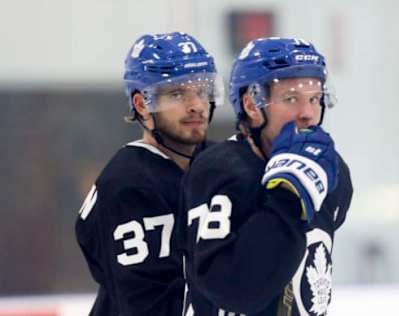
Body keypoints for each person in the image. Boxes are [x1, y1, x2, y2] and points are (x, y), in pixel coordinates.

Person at [179, 37, 353, 316]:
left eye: (315, 99)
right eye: (291, 99)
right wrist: (288, 197)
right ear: (251, 106)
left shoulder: (333, 171)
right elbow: (233, 291)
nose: (308, 113)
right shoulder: (219, 170)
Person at [75, 32, 223, 316]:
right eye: (177, 93)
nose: (196, 104)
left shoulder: (220, 164)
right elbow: (151, 305)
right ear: (142, 104)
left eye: (203, 90)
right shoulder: (128, 184)